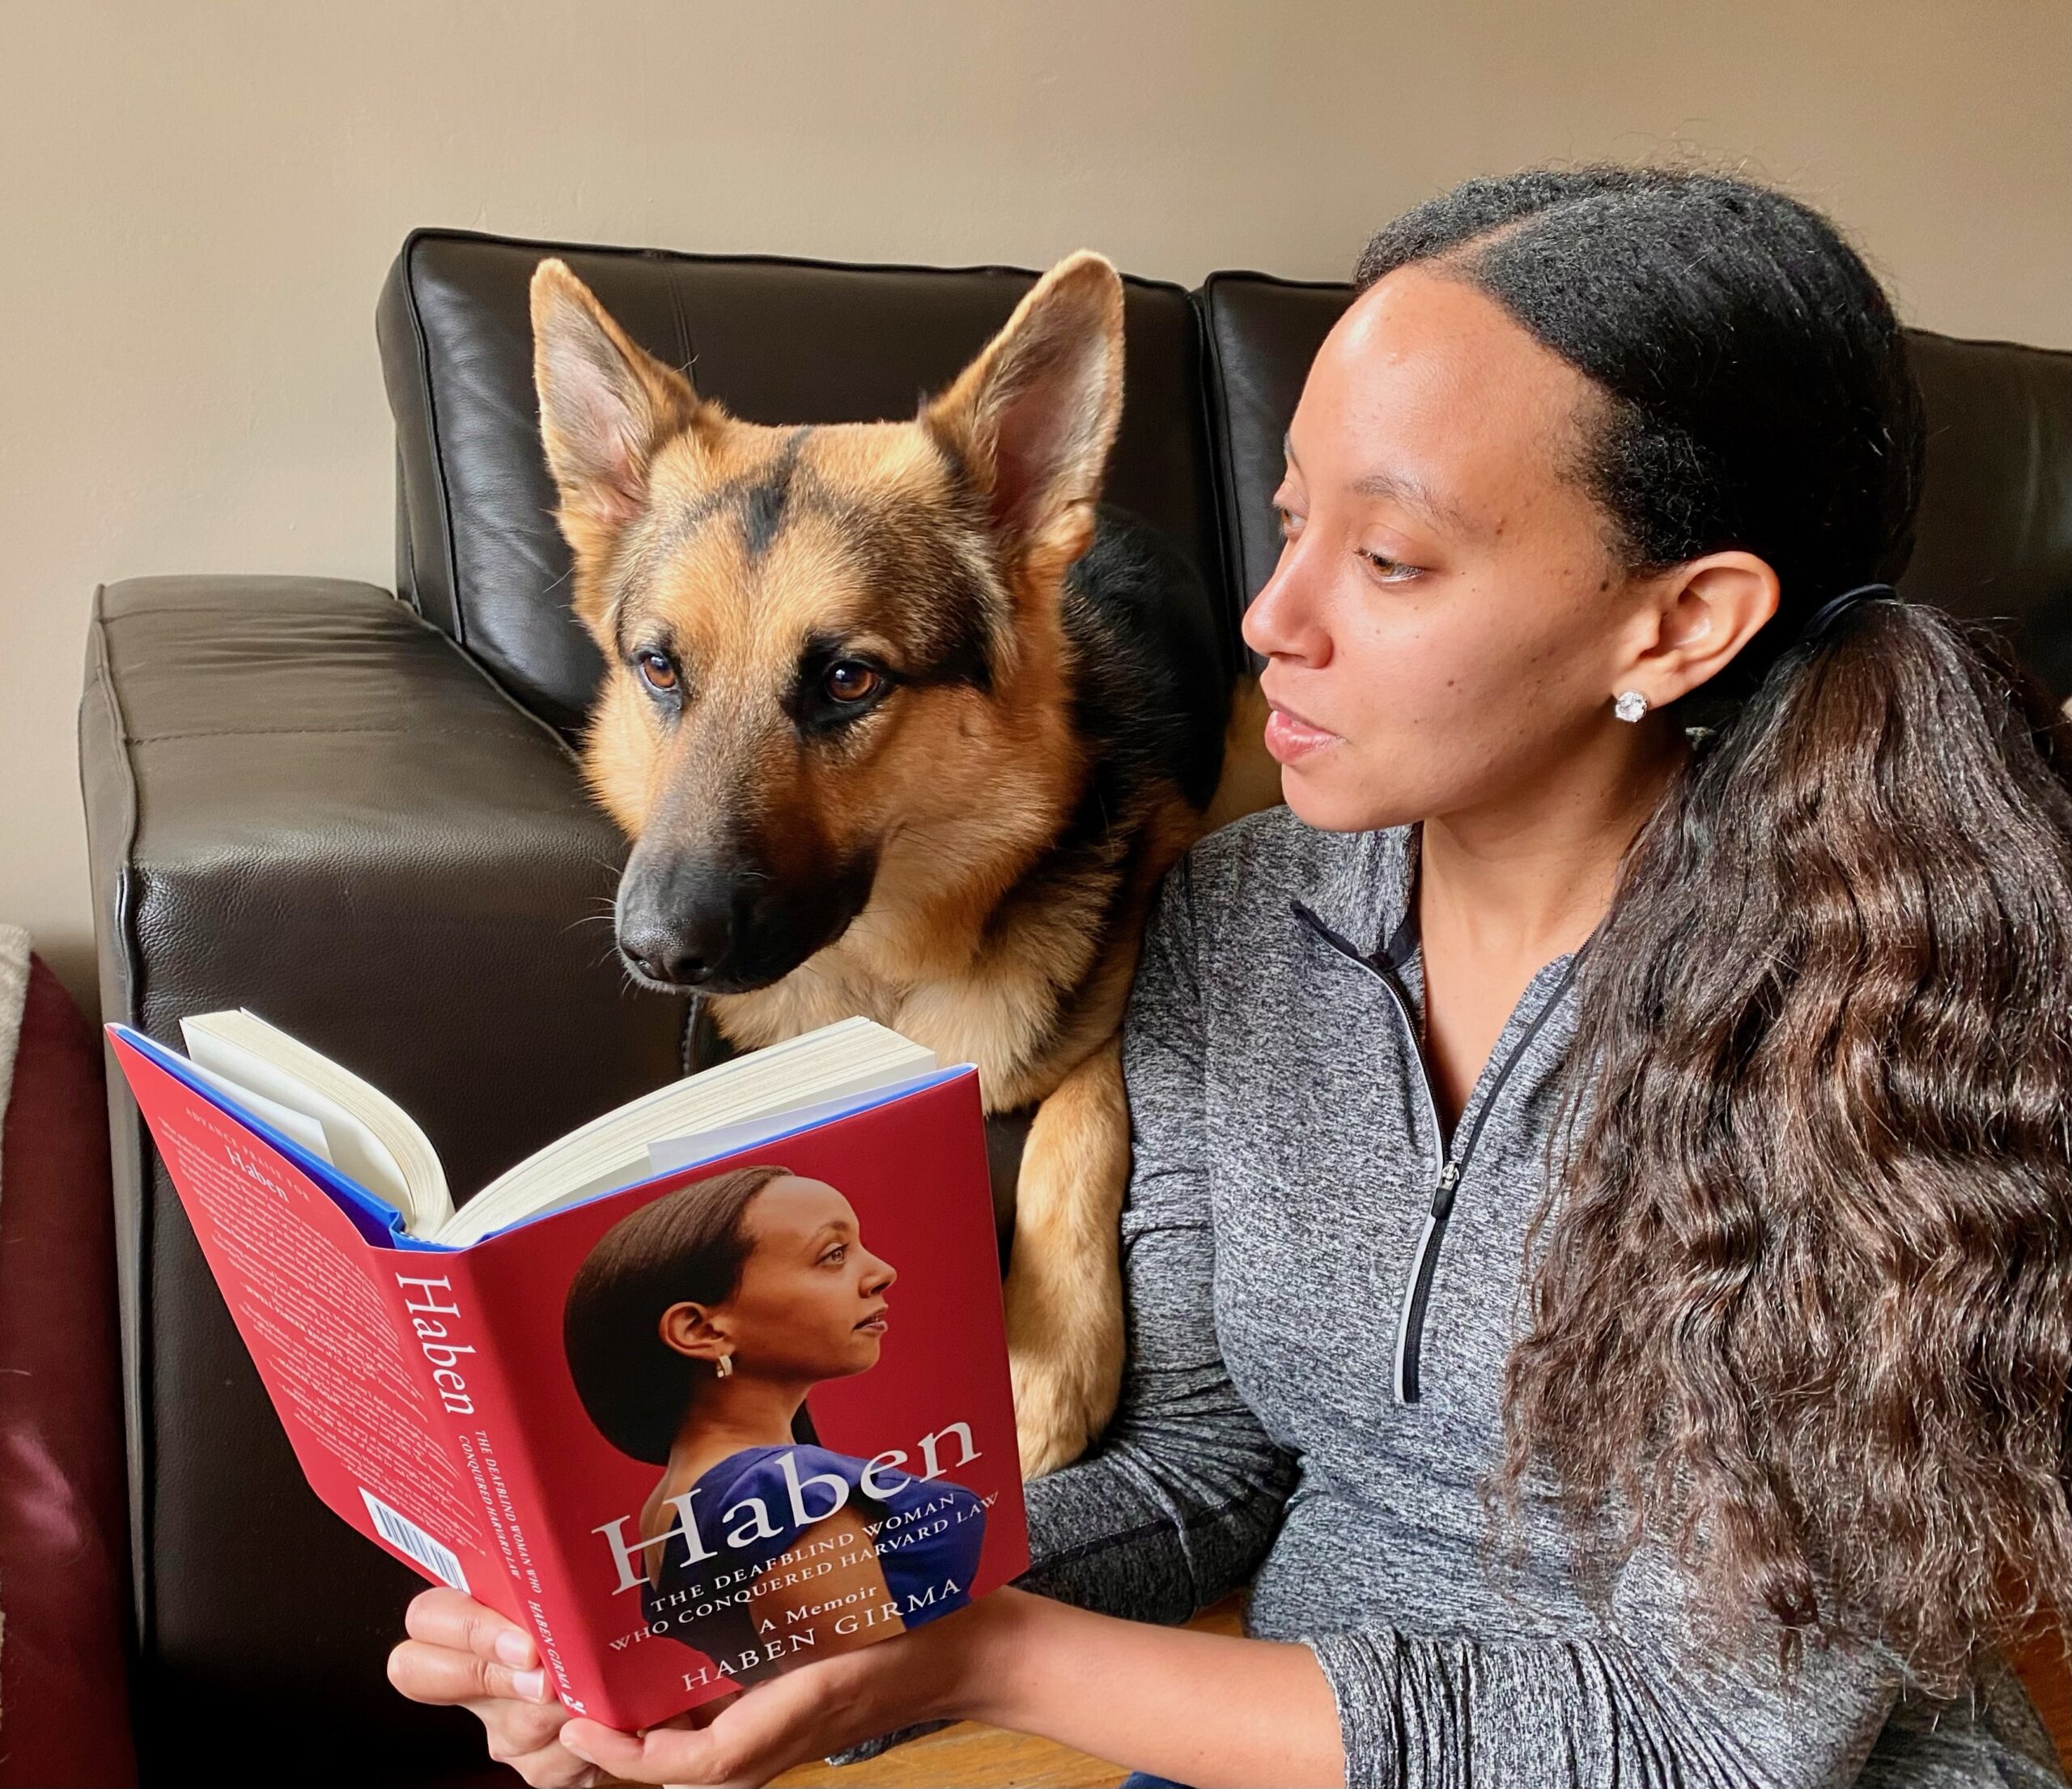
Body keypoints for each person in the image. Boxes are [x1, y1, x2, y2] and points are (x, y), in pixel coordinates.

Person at [384, 167, 2072, 1788]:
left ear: (1676, 624)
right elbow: (1203, 1470)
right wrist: (727, 1616)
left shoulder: (1860, 1016)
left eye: (1388, 559)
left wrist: (985, 1658)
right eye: (1287, 526)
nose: (1267, 620)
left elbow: (1716, 1744)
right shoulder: (1240, 920)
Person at [558, 1163, 987, 1684]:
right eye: (833, 1255)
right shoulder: (780, 1494)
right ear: (701, 1330)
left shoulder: (670, 1505)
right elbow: (873, 1707)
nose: (881, 1273)